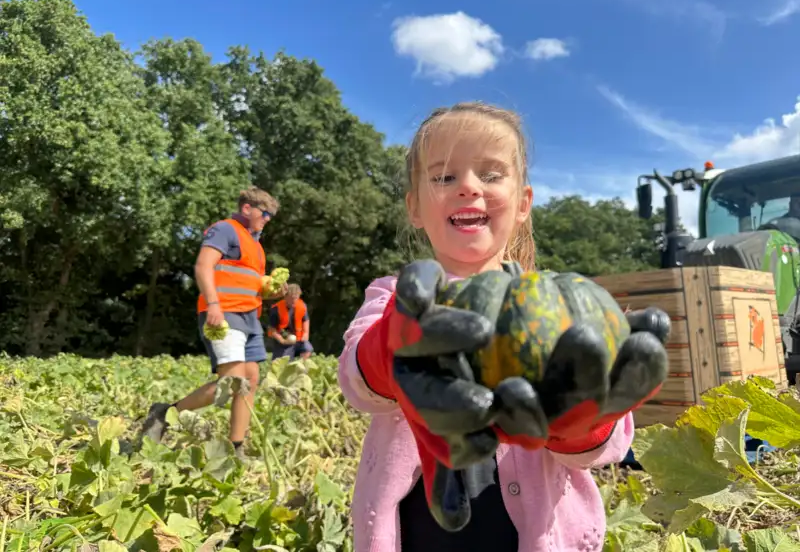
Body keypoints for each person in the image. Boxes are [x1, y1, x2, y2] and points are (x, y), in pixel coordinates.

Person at [337, 102, 669, 552]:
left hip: (532, 534)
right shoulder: (395, 295)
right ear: (414, 206)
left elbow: (601, 449)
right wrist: (397, 344)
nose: (468, 187)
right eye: (443, 176)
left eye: (491, 174)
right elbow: (357, 385)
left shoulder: (559, 308)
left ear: (523, 204)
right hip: (417, 529)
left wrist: (579, 421)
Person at [141, 186, 284, 459]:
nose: (267, 220)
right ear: (247, 208)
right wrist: (214, 304)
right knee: (233, 382)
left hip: (250, 318)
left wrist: (273, 292)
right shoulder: (225, 229)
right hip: (224, 313)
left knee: (251, 379)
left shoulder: (256, 246)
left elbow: (252, 284)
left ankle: (236, 448)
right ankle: (165, 413)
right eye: (264, 214)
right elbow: (204, 266)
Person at [267, 283, 314, 361]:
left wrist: (306, 334)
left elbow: (306, 320)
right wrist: (283, 341)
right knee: (282, 363)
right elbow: (272, 330)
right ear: (285, 297)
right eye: (292, 298)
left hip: (298, 339)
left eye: (296, 298)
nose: (294, 301)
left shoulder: (302, 306)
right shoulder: (276, 309)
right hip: (283, 339)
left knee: (307, 348)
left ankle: (300, 368)